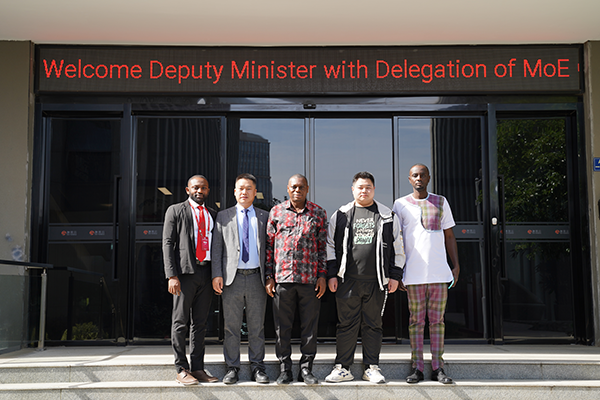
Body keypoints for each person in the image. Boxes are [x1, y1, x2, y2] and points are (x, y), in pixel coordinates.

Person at [325, 171, 405, 384]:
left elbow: (398, 247)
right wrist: (332, 274)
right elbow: (330, 246)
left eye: (368, 187)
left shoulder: (387, 216)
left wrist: (395, 275)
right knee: (346, 325)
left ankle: (371, 367)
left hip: (377, 282)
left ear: (374, 189)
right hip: (347, 281)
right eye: (360, 187)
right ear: (353, 189)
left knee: (373, 325)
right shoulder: (341, 214)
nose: (364, 191)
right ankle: (343, 368)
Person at [392, 164, 460, 384]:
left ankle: (438, 368)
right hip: (413, 275)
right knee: (416, 322)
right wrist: (397, 271)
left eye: (422, 175)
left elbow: (449, 236)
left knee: (437, 322)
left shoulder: (441, 201)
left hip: (439, 274)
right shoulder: (400, 204)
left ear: (429, 178)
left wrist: (456, 265)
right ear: (409, 179)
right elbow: (395, 240)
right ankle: (417, 368)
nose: (418, 178)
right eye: (415, 175)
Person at [265, 174, 328, 385]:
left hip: (309, 280)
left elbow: (322, 248)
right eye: (293, 187)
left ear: (307, 189)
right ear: (288, 188)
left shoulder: (318, 213)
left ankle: (306, 369)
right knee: (282, 327)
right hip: (282, 278)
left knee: (309, 327)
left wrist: (322, 275)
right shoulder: (276, 212)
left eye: (301, 187)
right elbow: (269, 247)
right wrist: (269, 277)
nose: (297, 190)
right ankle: (285, 369)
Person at [211, 173, 270, 384]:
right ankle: (232, 368)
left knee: (257, 327)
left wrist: (270, 276)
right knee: (231, 327)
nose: (244, 192)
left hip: (257, 278)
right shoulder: (223, 216)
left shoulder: (265, 217)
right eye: (240, 188)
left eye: (248, 188)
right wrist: (216, 274)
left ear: (255, 192)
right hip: (231, 279)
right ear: (235, 192)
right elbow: (216, 248)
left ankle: (257, 367)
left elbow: (270, 250)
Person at [163, 175, 219, 385]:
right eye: (195, 187)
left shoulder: (213, 214)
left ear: (208, 190)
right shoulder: (175, 210)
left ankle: (197, 368)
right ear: (188, 190)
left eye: (203, 188)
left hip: (207, 273)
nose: (199, 191)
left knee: (200, 324)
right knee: (180, 322)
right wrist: (172, 275)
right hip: (185, 274)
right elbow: (167, 243)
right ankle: (181, 368)